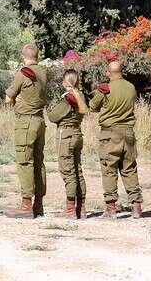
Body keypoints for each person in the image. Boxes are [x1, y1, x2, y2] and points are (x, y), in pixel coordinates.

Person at [89, 61, 143, 219]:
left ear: (108, 72)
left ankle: (111, 208)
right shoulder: (131, 87)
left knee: (109, 169)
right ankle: (136, 207)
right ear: (122, 71)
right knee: (129, 169)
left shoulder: (105, 89)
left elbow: (93, 106)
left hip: (110, 134)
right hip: (128, 133)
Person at [4, 43, 47, 219]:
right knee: (38, 163)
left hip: (26, 122)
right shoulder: (43, 72)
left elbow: (8, 99)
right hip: (39, 120)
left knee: (25, 162)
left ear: (23, 56)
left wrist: (16, 100)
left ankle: (26, 204)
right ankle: (38, 204)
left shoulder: (23, 73)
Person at [47, 69, 88, 219]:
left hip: (66, 135)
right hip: (77, 133)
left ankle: (70, 208)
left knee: (68, 171)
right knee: (78, 171)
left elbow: (53, 116)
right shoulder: (80, 96)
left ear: (66, 82)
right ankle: (81, 207)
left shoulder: (68, 98)